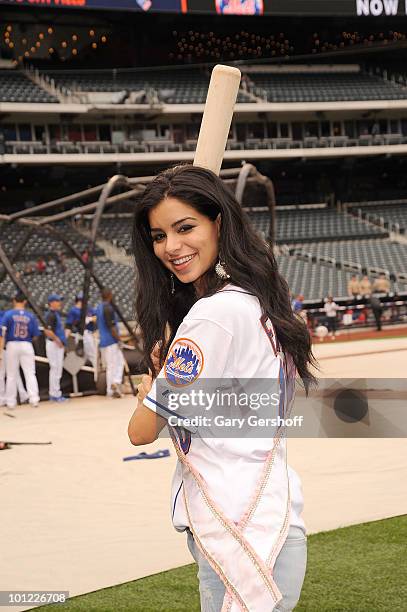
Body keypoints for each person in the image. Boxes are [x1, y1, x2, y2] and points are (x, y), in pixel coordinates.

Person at [128, 165, 316, 612]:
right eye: (158, 235)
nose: (171, 247)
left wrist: (152, 382)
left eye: (185, 227)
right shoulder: (256, 303)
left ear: (219, 223)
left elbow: (141, 431)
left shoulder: (213, 316)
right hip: (267, 517)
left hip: (235, 527)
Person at [0, 293, 40, 409]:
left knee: (11, 375)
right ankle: (34, 399)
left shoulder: (8, 314)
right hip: (26, 344)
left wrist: (1, 350)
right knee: (30, 373)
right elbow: (36, 335)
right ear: (25, 302)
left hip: (12, 344)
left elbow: (2, 333)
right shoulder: (30, 316)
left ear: (14, 300)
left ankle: (11, 402)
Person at [96, 288, 124, 398]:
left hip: (103, 340)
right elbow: (111, 326)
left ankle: (111, 388)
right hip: (111, 340)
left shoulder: (99, 307)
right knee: (117, 363)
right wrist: (118, 339)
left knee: (111, 366)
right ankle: (114, 384)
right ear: (109, 295)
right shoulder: (108, 308)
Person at [44, 294, 68, 402]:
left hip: (57, 344)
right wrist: (57, 340)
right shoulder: (50, 315)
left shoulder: (55, 314)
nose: (59, 303)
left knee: (57, 369)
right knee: (55, 368)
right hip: (53, 344)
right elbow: (47, 331)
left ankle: (55, 393)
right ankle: (54, 394)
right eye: (57, 301)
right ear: (52, 302)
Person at [66, 292, 97, 369]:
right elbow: (70, 325)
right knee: (91, 356)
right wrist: (87, 320)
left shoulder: (88, 308)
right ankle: (95, 376)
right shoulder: (74, 310)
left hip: (89, 334)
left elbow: (96, 317)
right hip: (82, 334)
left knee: (86, 357)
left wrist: (90, 319)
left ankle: (90, 377)